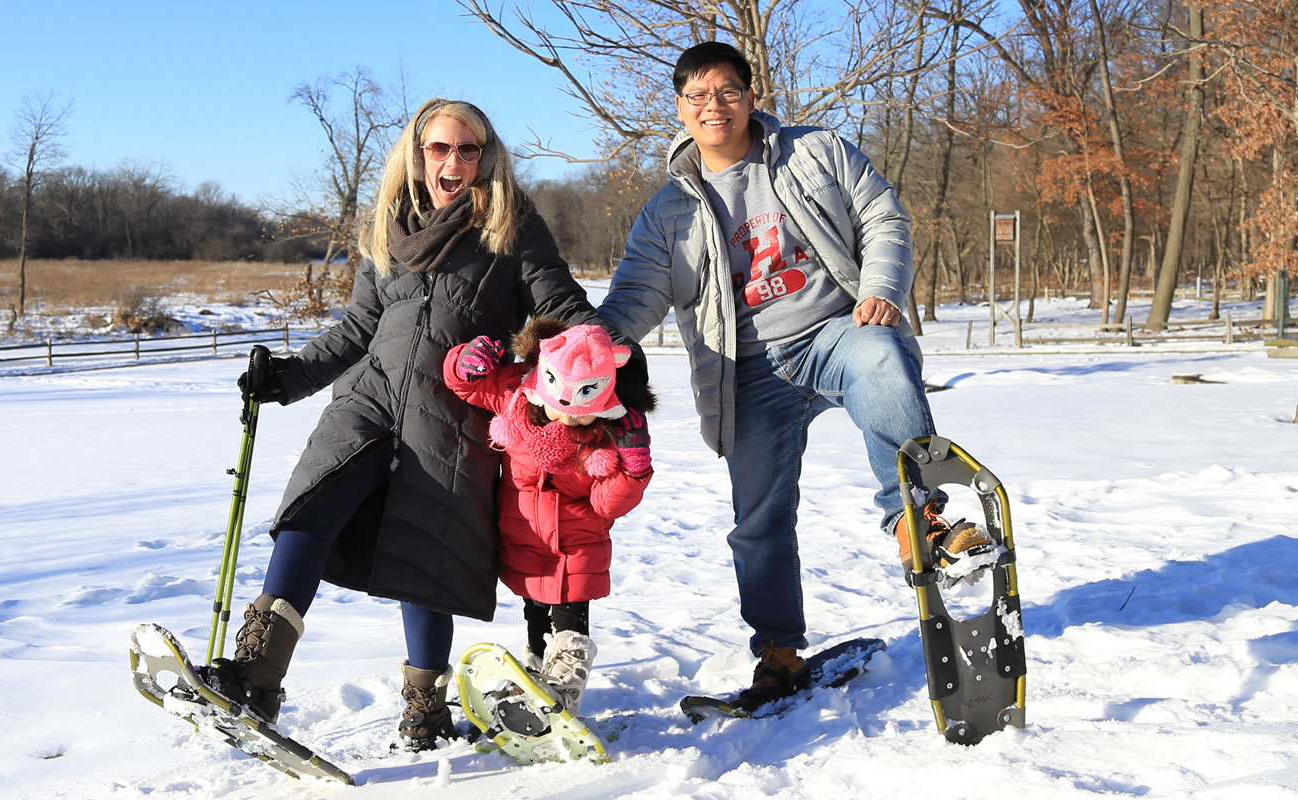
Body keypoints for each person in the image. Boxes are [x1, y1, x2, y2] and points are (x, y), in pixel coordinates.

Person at [200, 97, 643, 752]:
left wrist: (606, 367)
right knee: (308, 510)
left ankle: (425, 710)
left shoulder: (511, 229)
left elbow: (561, 305)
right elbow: (357, 331)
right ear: (417, 153)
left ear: (486, 157)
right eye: (440, 148)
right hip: (369, 400)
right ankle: (255, 679)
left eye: (468, 150)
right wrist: (288, 378)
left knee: (424, 561)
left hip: (454, 418)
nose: (454, 162)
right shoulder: (388, 229)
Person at [596, 42, 987, 704]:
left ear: (751, 97)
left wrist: (882, 288)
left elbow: (882, 216)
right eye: (698, 96)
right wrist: (585, 348)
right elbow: (633, 297)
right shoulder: (668, 213)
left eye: (727, 91)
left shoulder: (817, 152)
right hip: (746, 371)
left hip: (835, 331)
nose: (713, 106)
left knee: (884, 358)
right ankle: (778, 649)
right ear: (680, 110)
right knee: (759, 518)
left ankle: (916, 521)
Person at [442, 318, 655, 717]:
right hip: (523, 538)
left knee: (570, 629)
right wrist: (463, 362)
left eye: (584, 412)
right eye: (564, 408)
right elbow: (466, 384)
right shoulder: (517, 399)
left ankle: (564, 694)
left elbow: (608, 505)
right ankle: (537, 678)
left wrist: (633, 469)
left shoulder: (606, 435)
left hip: (578, 545)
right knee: (535, 614)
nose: (571, 420)